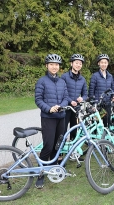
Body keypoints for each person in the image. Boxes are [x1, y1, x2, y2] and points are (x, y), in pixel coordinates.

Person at [34, 54, 69, 189]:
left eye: (57, 65)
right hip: (48, 118)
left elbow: (66, 97)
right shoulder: (42, 81)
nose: (54, 67)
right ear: (47, 66)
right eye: (52, 64)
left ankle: (54, 169)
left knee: (57, 146)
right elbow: (38, 99)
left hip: (61, 117)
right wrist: (49, 109)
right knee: (48, 146)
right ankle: (40, 173)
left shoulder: (62, 82)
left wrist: (61, 106)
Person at [61, 54, 88, 141]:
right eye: (76, 63)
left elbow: (85, 94)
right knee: (63, 128)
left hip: (76, 108)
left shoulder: (82, 79)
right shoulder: (64, 77)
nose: (78, 65)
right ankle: (61, 149)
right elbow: (62, 92)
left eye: (80, 63)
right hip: (66, 107)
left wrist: (82, 98)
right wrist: (70, 101)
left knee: (74, 128)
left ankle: (73, 147)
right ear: (71, 64)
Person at [88, 54, 114, 127]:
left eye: (105, 62)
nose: (104, 64)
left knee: (107, 125)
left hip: (107, 104)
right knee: (96, 125)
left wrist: (113, 97)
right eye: (102, 62)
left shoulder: (110, 76)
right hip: (98, 104)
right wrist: (93, 104)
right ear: (98, 63)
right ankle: (95, 138)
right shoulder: (95, 76)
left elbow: (112, 89)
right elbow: (91, 91)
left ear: (107, 64)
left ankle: (105, 138)